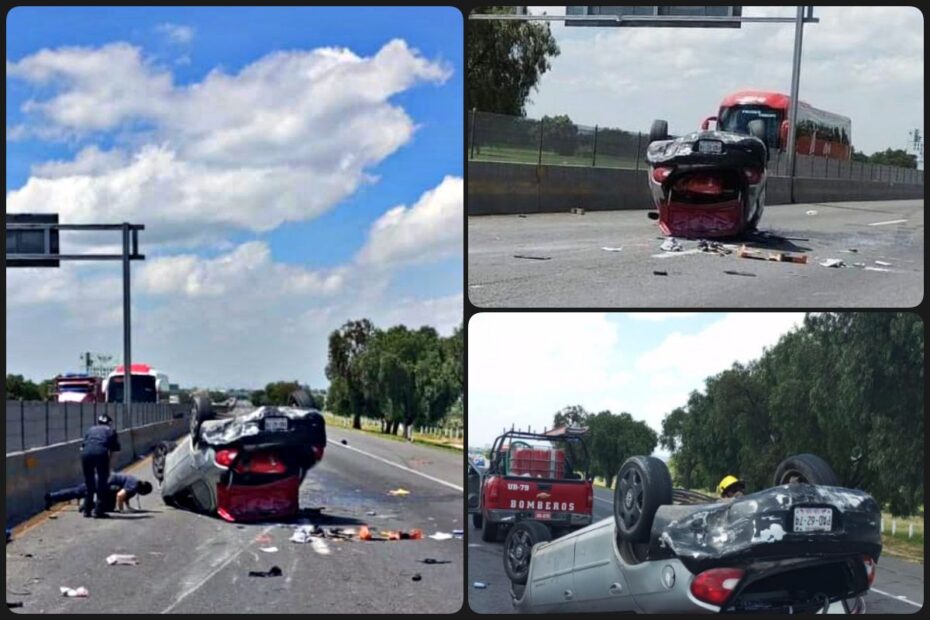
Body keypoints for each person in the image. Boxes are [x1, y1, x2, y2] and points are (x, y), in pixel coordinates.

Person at [80, 414, 121, 518]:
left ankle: (87, 510)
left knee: (89, 482)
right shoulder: (111, 431)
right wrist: (110, 467)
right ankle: (98, 510)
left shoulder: (91, 429)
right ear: (109, 422)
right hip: (101, 453)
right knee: (102, 483)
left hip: (86, 454)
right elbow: (114, 451)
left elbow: (82, 446)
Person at [45, 474, 153, 513]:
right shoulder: (133, 485)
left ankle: (90, 505)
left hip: (104, 482)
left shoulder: (133, 482)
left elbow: (125, 496)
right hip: (101, 482)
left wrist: (129, 507)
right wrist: (121, 511)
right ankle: (52, 496)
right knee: (78, 492)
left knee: (78, 492)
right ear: (142, 490)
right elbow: (120, 495)